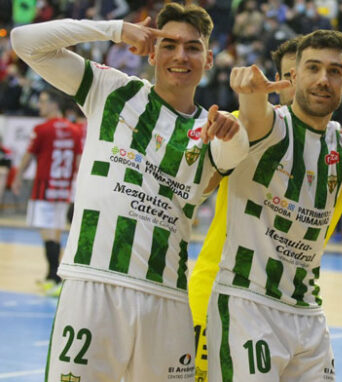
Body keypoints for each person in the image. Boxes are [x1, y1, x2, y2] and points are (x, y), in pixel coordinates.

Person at [11, 3, 241, 380]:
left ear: (209, 58)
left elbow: (237, 152)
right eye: (168, 44)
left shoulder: (216, 127)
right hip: (92, 282)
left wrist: (237, 129)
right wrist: (116, 29)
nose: (180, 56)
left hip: (167, 296)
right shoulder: (112, 89)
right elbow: (25, 41)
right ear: (151, 51)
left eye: (193, 47)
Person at [205, 29, 342, 380]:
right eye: (313, 68)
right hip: (249, 304)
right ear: (293, 76)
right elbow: (253, 116)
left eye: (335, 71)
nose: (324, 80)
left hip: (308, 313)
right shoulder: (271, 125)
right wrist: (248, 92)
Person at [11, 88, 83, 295]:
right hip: (63, 189)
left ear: (54, 105)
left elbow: (28, 156)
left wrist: (16, 178)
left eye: (42, 102)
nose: (39, 106)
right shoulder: (75, 130)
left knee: (48, 234)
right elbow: (78, 162)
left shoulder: (42, 129)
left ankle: (54, 277)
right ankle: (51, 277)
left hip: (44, 189)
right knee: (56, 231)